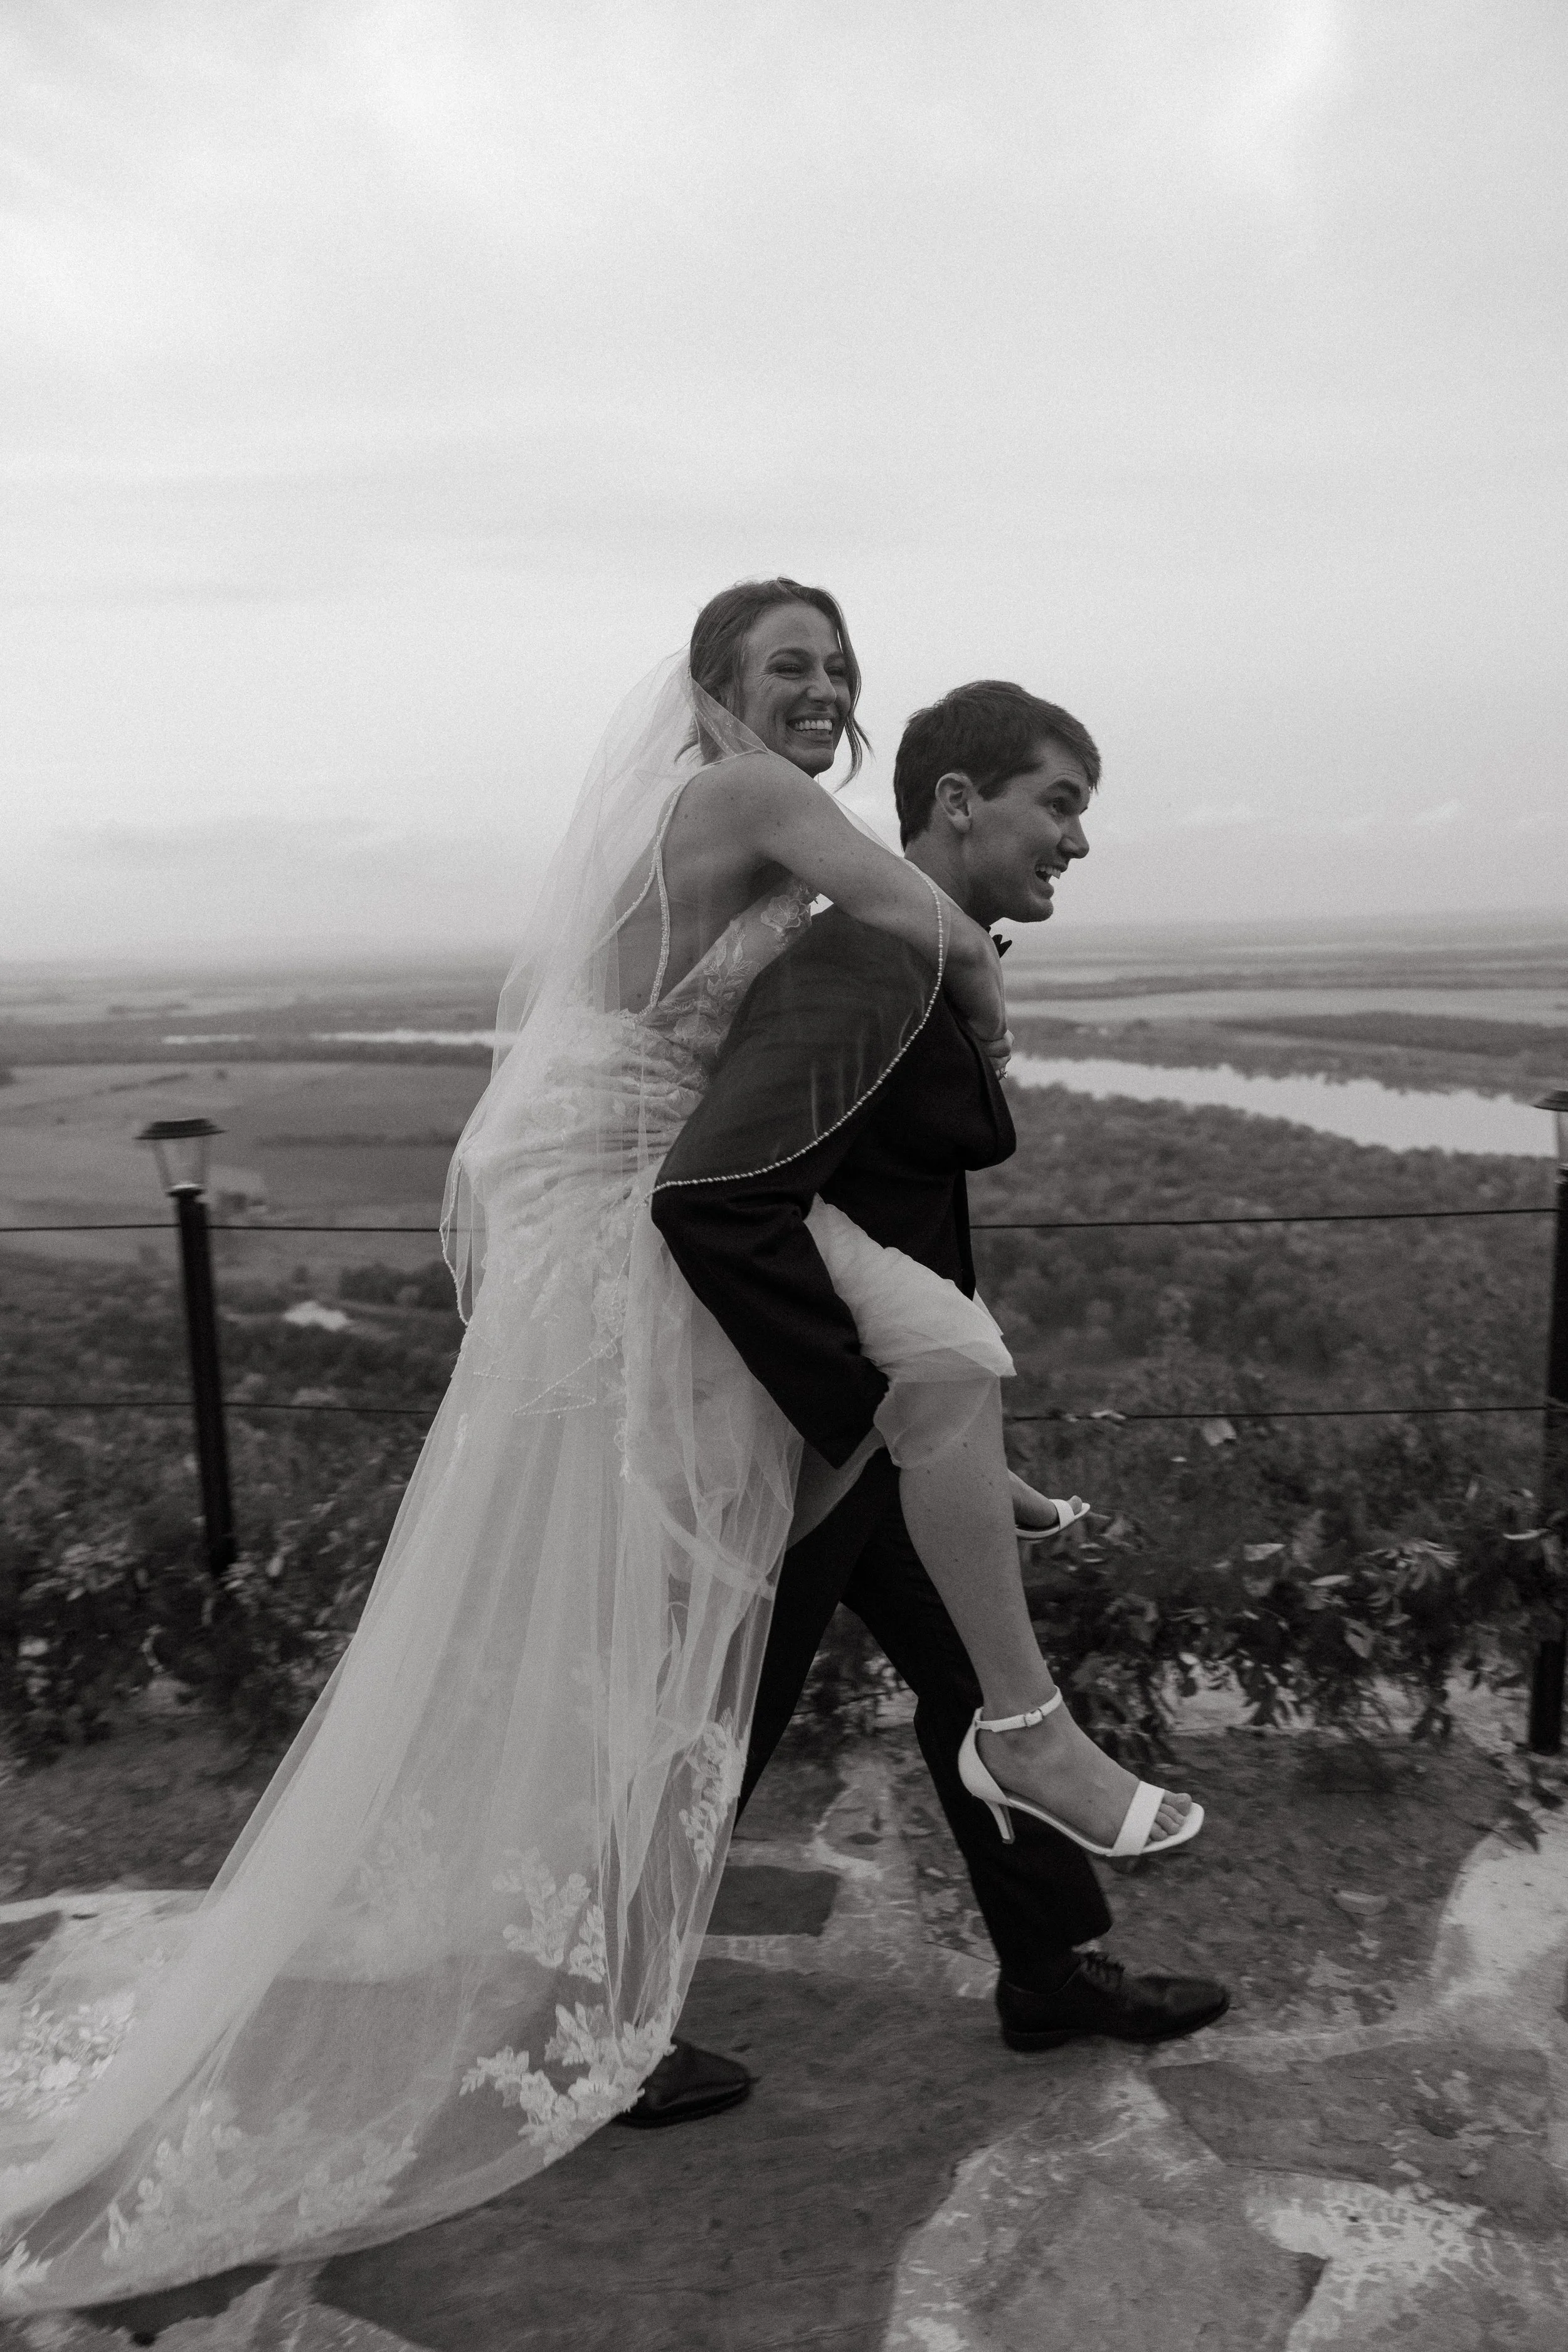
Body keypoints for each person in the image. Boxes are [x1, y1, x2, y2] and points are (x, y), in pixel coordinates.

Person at [0, 584, 1168, 2314]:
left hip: (684, 1243)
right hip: (661, 1233)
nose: (824, 687)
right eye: (789, 664)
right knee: (707, 1655)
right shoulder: (750, 802)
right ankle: (604, 2001)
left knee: (783, 1616)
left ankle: (1026, 1924)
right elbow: (911, 936)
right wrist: (980, 992)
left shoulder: (733, 838)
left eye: (838, 666)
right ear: (713, 688)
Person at [654, 679, 1228, 2053]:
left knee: (983, 1688)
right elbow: (717, 1202)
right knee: (713, 1732)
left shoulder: (907, 951)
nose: (1077, 840)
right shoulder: (869, 955)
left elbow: (881, 1221)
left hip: (878, 1433)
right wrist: (864, 1416)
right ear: (959, 803)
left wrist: (960, 1448)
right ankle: (586, 2019)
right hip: (810, 1430)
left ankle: (1050, 1969)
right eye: (1059, 804)